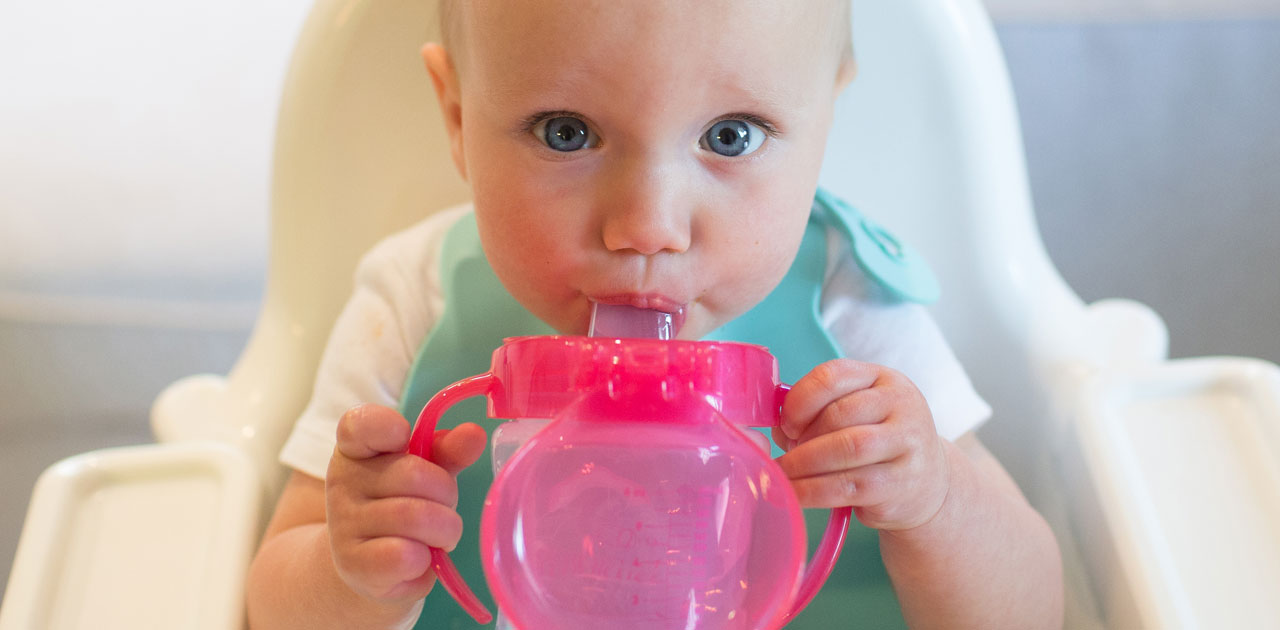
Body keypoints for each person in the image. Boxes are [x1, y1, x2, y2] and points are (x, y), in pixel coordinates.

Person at [245, 1, 1064, 628]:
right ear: (459, 117)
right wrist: (348, 570)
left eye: (733, 135)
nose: (648, 225)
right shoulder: (416, 295)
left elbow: (1032, 609)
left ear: (824, 119)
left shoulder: (847, 310)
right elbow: (270, 607)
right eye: (567, 133)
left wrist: (936, 500)